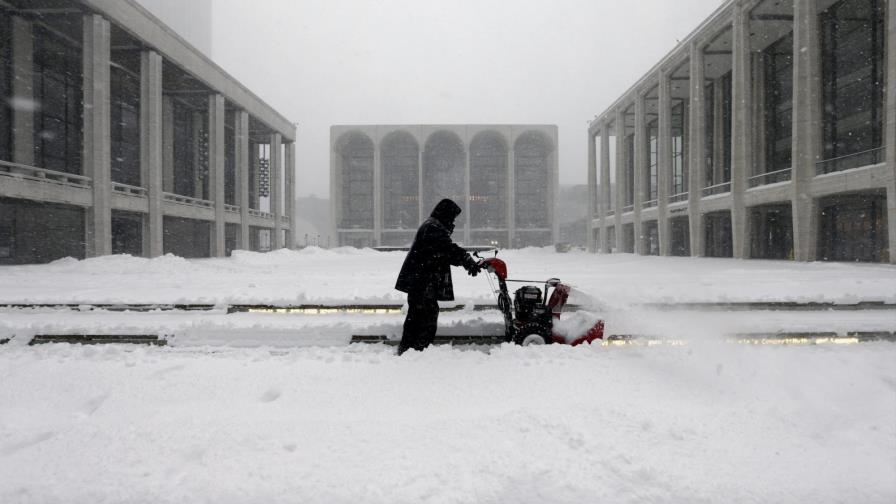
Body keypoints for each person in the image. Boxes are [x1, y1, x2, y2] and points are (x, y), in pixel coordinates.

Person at [395, 198, 480, 355]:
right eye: (452, 218)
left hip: (421, 281)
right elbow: (446, 249)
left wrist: (465, 260)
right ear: (446, 215)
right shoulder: (433, 228)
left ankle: (411, 349)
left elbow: (444, 250)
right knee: (424, 317)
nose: (453, 222)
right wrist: (466, 260)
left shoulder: (432, 225)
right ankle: (416, 350)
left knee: (418, 316)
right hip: (422, 282)